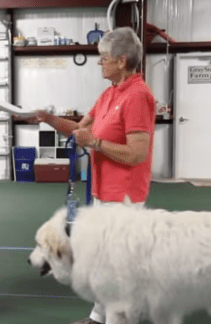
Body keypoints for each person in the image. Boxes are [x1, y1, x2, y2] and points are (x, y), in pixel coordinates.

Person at [31, 26, 156, 324]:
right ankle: (99, 317)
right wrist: (48, 119)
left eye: (103, 58)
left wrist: (97, 143)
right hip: (102, 191)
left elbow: (137, 153)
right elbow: (79, 131)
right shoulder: (110, 94)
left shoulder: (138, 96)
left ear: (122, 61)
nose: (99, 63)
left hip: (122, 196)